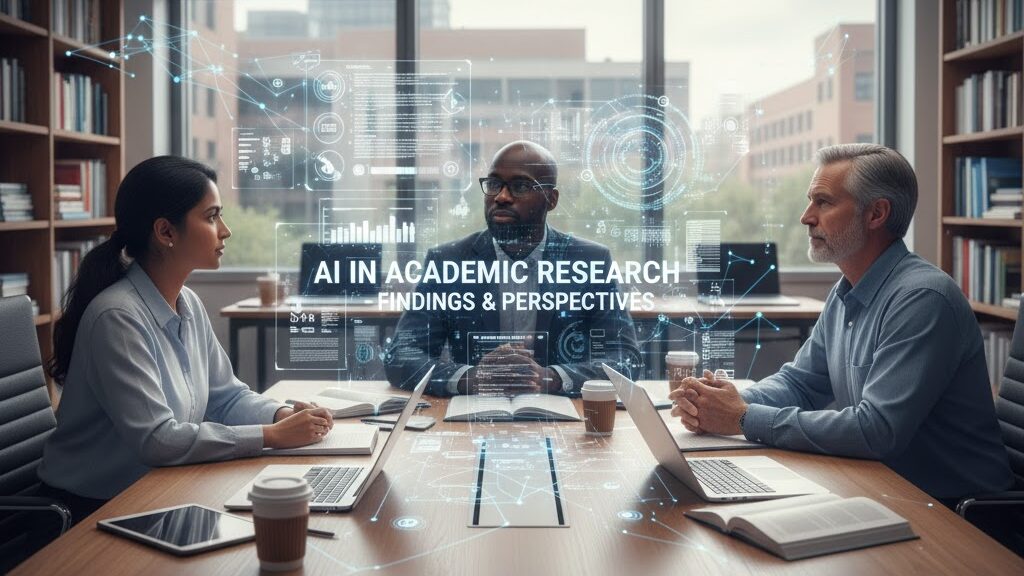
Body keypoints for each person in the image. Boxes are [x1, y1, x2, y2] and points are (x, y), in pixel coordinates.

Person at [668, 144, 1013, 503]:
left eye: (824, 202)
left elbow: (876, 430)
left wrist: (742, 417)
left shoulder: (923, 299)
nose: (806, 217)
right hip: (887, 488)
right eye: (810, 201)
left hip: (957, 513)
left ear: (876, 214)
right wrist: (721, 402)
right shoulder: (846, 290)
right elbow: (800, 383)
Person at [38, 156, 334, 522]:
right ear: (166, 232)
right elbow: (157, 440)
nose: (225, 230)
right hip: (88, 509)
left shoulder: (187, 301)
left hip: (156, 488)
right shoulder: (117, 317)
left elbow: (226, 396)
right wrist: (271, 435)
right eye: (211, 217)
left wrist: (282, 415)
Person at [385, 141, 639, 396]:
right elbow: (400, 355)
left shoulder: (591, 261)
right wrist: (468, 378)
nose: (501, 197)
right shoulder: (447, 262)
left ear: (551, 199)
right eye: (494, 184)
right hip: (472, 410)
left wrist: (552, 378)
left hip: (562, 412)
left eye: (520, 186)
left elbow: (625, 359)